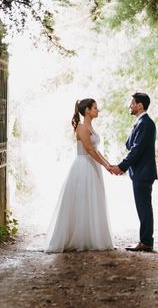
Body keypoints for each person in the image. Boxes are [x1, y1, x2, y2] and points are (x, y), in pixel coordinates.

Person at [43, 98, 115, 253]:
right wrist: (104, 165)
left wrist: (108, 165)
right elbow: (89, 150)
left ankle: (92, 236)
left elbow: (96, 150)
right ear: (87, 110)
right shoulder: (81, 127)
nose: (98, 110)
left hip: (93, 165)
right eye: (95, 108)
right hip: (83, 166)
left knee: (93, 199)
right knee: (83, 200)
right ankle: (80, 238)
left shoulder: (91, 128)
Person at [108, 92, 157, 252]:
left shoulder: (145, 123)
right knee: (143, 207)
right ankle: (146, 241)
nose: (130, 106)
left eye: (132, 103)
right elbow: (129, 144)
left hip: (143, 172)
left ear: (140, 105)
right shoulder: (140, 123)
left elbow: (136, 150)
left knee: (144, 207)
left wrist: (121, 166)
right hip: (141, 172)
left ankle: (146, 242)